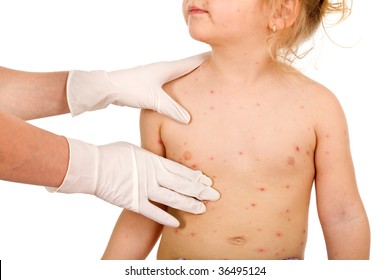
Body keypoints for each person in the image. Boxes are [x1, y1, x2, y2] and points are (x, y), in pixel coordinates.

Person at [102, 0, 370, 260]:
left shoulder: (317, 107)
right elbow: (148, 206)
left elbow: (343, 215)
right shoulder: (164, 101)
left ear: (281, 10)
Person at [0, 54, 220, 227]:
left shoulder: (171, 99)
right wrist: (91, 167)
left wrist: (95, 87)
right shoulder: (171, 105)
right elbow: (150, 213)